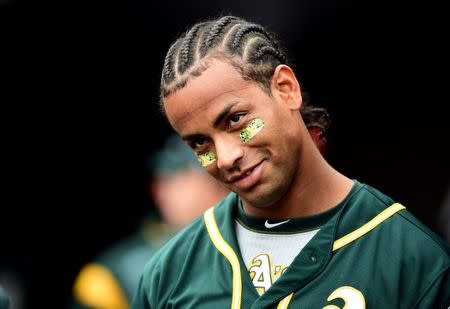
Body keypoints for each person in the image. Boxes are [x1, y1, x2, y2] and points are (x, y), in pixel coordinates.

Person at [131, 15, 450, 309]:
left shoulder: (413, 260)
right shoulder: (168, 276)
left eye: (236, 120)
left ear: (286, 89)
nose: (226, 157)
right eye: (200, 143)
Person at [68, 134, 230, 309]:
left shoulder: (250, 241)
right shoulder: (114, 271)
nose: (165, 189)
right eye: (163, 179)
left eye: (182, 175)